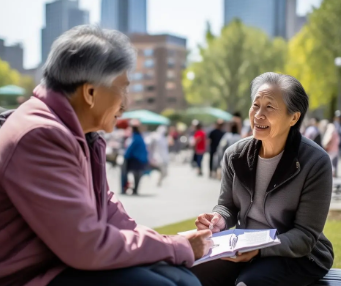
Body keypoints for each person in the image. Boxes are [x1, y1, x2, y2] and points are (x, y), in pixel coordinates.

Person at [0, 25, 213, 286]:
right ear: (90, 93)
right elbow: (86, 244)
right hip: (34, 275)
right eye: (122, 88)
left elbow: (111, 214)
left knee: (181, 278)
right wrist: (176, 247)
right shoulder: (41, 134)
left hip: (61, 264)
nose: (126, 103)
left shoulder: (81, 133)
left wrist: (172, 244)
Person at [192, 72, 334, 286]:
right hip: (244, 246)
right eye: (256, 105)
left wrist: (258, 249)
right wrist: (218, 219)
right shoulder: (235, 154)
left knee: (249, 282)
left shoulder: (315, 162)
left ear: (293, 117)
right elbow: (227, 206)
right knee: (189, 274)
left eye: (269, 107)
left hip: (299, 255)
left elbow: (304, 236)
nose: (258, 114)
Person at [121, 122, 149, 194]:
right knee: (137, 175)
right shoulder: (139, 136)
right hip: (141, 158)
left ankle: (133, 189)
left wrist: (125, 156)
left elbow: (130, 148)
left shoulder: (135, 137)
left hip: (136, 158)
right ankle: (135, 189)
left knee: (135, 174)